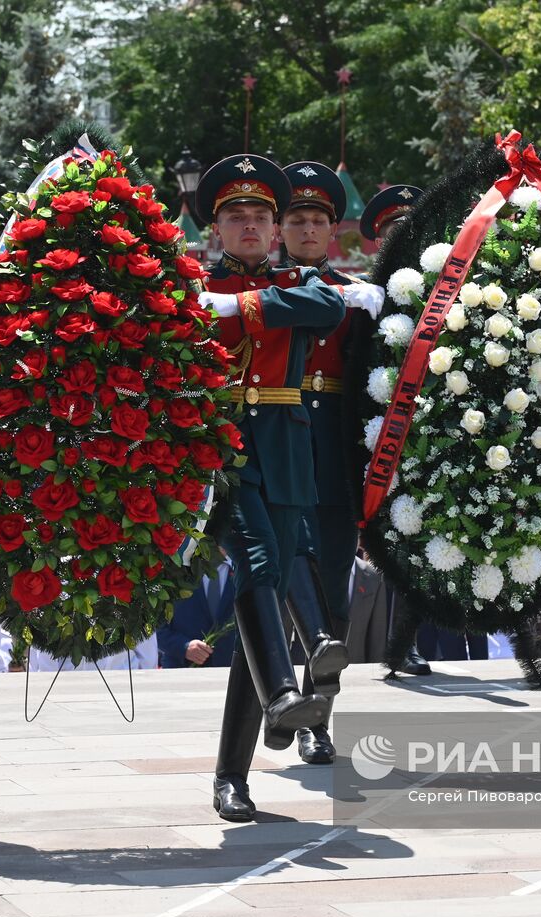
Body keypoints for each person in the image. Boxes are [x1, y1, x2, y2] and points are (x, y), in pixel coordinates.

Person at [194, 153, 379, 822]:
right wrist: (239, 305)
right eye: (235, 215)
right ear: (214, 226)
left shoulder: (304, 281)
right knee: (261, 566)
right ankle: (280, 695)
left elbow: (322, 307)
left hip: (288, 441)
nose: (249, 226)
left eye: (260, 216)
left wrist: (234, 306)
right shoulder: (189, 282)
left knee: (259, 599)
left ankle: (232, 775)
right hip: (219, 444)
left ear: (274, 230)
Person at [279, 160, 360, 764]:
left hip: (330, 445)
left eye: (318, 220)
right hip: (279, 437)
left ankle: (319, 716)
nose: (308, 229)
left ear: (332, 230)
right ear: (281, 228)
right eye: (297, 218)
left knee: (331, 588)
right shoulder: (265, 288)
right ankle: (278, 696)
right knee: (283, 572)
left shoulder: (357, 293)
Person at [358, 183, 435, 678]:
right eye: (393, 230)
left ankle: (403, 641)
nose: (403, 238)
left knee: (416, 531)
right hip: (367, 427)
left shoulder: (444, 290)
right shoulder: (360, 290)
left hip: (423, 429)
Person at [155, 557, 237, 669]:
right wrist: (184, 647)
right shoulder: (175, 568)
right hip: (182, 672)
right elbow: (156, 627)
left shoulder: (246, 569)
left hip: (232, 673)